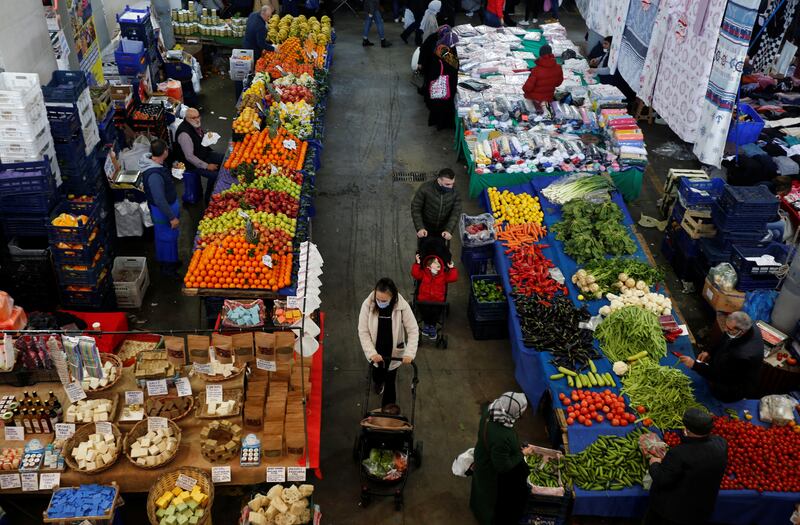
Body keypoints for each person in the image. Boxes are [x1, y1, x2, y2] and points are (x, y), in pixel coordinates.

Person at [644, 408, 728, 525]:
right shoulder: (721, 444)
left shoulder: (679, 453)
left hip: (673, 512)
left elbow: (662, 479)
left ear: (686, 430)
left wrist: (655, 463)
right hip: (701, 509)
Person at [470, 392, 534, 525]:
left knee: (480, 488)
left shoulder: (489, 413)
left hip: (482, 456)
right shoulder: (502, 437)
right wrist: (522, 453)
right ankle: (487, 518)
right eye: (521, 412)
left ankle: (477, 508)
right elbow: (502, 467)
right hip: (490, 468)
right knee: (490, 495)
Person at [358, 278, 419, 407]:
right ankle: (378, 382)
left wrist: (409, 354)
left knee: (390, 380)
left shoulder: (402, 307)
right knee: (377, 374)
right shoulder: (368, 304)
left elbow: (413, 330)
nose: (380, 302)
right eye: (378, 299)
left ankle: (389, 409)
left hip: (393, 352)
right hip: (376, 349)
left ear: (393, 297)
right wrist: (371, 353)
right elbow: (363, 331)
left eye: (384, 300)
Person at [678, 311, 763, 402]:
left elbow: (720, 375)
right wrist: (709, 352)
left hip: (732, 385)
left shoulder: (741, 355)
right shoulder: (747, 326)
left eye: (729, 329)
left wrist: (694, 365)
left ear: (741, 332)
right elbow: (725, 337)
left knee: (720, 394)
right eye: (726, 326)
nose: (726, 330)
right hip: (727, 365)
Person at [139, 139, 181, 279]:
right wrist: (172, 217)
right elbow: (159, 199)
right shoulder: (154, 175)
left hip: (169, 208)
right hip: (164, 212)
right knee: (166, 239)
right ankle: (167, 269)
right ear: (164, 152)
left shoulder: (157, 164)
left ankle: (173, 262)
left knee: (171, 237)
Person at [175, 108, 225, 205]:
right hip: (192, 165)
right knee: (216, 175)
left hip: (203, 154)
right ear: (187, 118)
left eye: (198, 117)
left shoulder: (194, 125)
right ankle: (208, 199)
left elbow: (198, 138)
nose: (197, 120)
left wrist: (206, 136)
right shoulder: (184, 134)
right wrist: (207, 166)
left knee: (224, 159)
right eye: (194, 118)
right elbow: (189, 157)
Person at [411, 243, 458, 339]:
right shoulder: (424, 273)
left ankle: (432, 326)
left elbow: (453, 278)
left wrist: (452, 268)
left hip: (437, 301)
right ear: (428, 266)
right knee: (424, 311)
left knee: (435, 313)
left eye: (439, 264)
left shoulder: (443, 276)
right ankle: (427, 325)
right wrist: (417, 263)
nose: (438, 265)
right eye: (435, 263)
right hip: (424, 299)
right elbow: (415, 274)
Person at [418, 27, 459, 129]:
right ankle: (443, 124)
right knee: (444, 104)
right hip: (445, 82)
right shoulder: (444, 50)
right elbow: (455, 64)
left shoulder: (438, 46)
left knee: (438, 103)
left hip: (435, 78)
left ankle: (438, 122)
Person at [411, 168, 462, 241]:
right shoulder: (425, 189)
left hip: (443, 230)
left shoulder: (455, 192)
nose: (451, 187)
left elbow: (456, 212)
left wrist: (449, 230)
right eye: (447, 184)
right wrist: (420, 228)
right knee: (423, 248)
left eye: (452, 183)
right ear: (439, 180)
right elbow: (416, 208)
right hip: (426, 228)